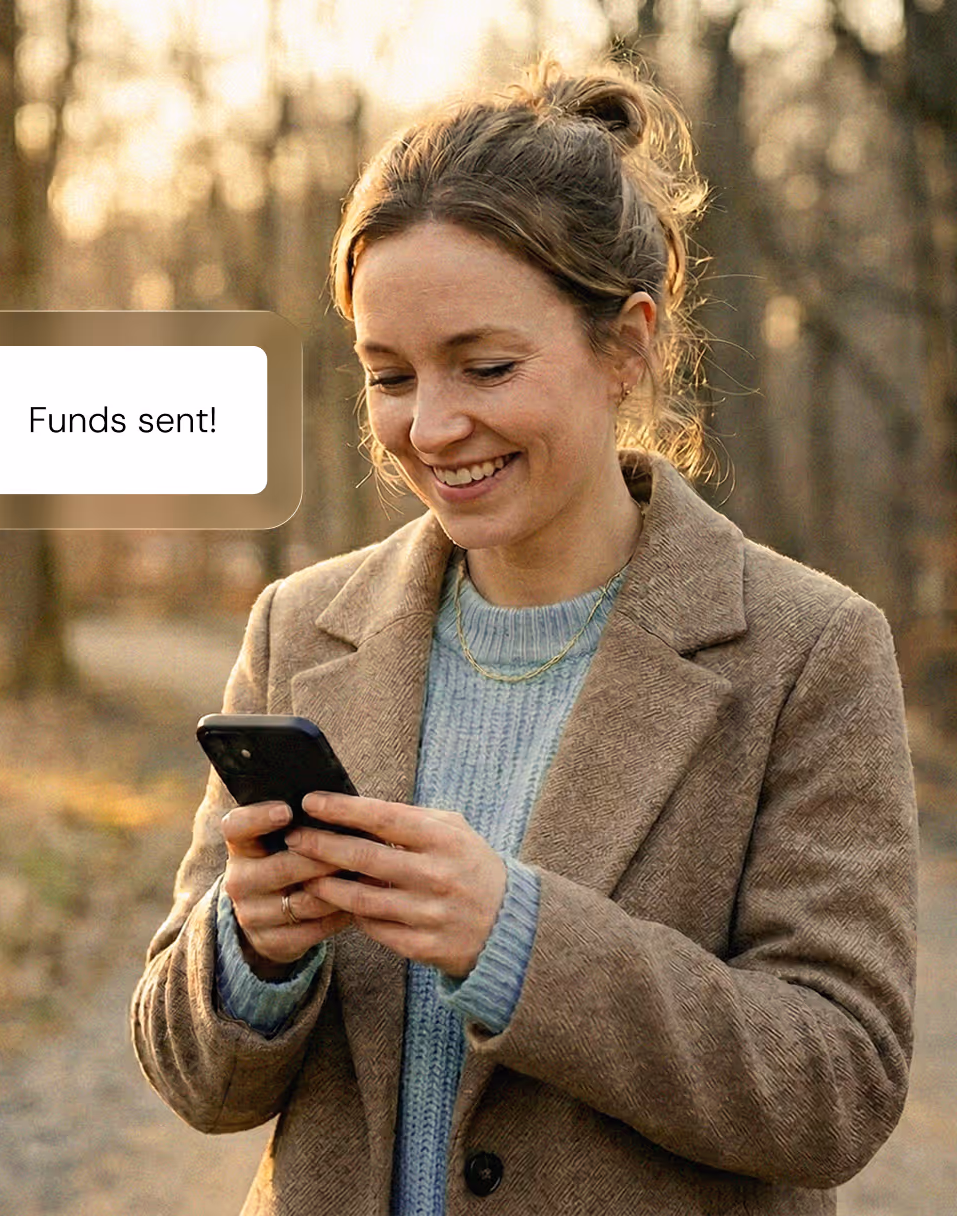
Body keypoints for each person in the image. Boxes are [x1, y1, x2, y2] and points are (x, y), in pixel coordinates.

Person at [131, 53, 917, 1216]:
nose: (432, 426)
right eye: (387, 375)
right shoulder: (300, 627)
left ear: (628, 344)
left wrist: (518, 938)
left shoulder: (808, 651)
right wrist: (250, 947)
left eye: (485, 365)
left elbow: (835, 1085)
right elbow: (195, 1076)